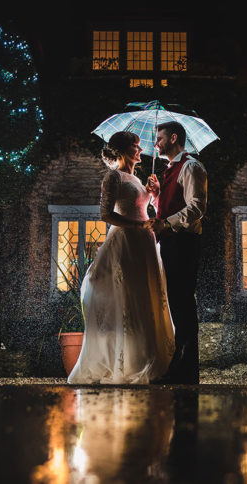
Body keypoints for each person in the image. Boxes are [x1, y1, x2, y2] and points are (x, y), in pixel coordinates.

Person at [67, 131, 175, 384]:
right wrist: (136, 225)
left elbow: (148, 208)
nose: (140, 151)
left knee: (144, 296)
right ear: (124, 151)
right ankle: (124, 362)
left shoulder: (137, 179)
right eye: (136, 147)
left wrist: (155, 194)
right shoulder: (113, 176)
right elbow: (106, 214)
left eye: (139, 147)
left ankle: (147, 356)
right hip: (126, 242)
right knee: (127, 298)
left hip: (145, 243)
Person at [146, 121, 207, 384]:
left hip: (184, 241)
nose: (155, 143)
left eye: (159, 138)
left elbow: (196, 208)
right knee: (175, 302)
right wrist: (156, 196)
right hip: (171, 241)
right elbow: (169, 206)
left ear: (173, 138)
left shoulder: (191, 166)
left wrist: (167, 224)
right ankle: (180, 367)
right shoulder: (171, 169)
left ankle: (186, 369)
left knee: (182, 302)